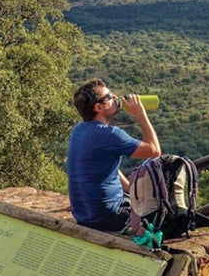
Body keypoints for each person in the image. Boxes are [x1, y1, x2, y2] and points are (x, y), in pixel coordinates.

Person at [66, 79, 161, 233]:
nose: (115, 97)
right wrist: (141, 114)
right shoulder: (110, 134)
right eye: (109, 96)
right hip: (109, 217)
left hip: (84, 216)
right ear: (98, 107)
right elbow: (154, 151)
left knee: (137, 198)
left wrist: (130, 189)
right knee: (160, 206)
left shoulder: (79, 130)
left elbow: (105, 168)